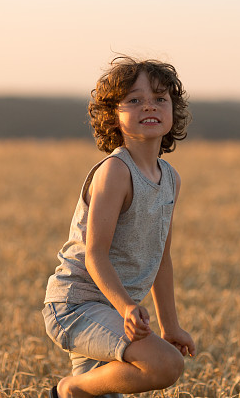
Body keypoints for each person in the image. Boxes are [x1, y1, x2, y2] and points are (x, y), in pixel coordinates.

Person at [42, 57, 196, 398]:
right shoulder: (115, 171)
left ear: (173, 110)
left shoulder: (171, 179)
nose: (149, 106)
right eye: (134, 99)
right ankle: (69, 389)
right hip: (76, 306)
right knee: (166, 365)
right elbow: (95, 255)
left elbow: (162, 259)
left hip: (113, 312)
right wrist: (127, 307)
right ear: (113, 115)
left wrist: (171, 326)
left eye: (160, 98)